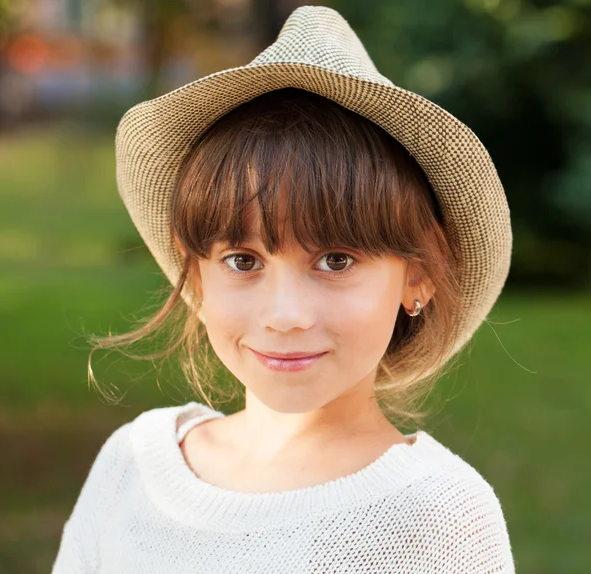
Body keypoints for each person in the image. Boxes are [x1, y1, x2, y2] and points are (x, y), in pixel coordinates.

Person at [52, 5, 515, 573]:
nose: (285, 315)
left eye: (336, 259)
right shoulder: (134, 465)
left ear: (418, 275)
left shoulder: (437, 518)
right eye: (243, 260)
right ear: (194, 269)